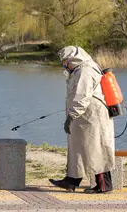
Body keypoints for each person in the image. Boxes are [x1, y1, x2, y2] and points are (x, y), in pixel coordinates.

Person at [49, 45, 115, 194]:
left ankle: (104, 186)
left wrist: (71, 116)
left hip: (93, 117)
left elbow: (82, 96)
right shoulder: (78, 70)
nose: (65, 65)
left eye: (66, 61)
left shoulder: (86, 70)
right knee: (78, 148)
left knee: (97, 148)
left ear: (73, 59)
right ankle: (71, 181)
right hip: (84, 116)